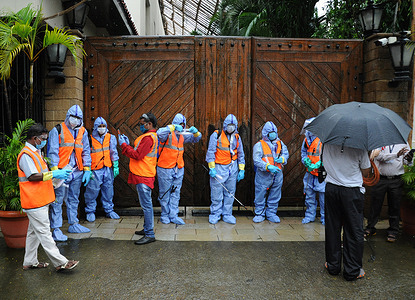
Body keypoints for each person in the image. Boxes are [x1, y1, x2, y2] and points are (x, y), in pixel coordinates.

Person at [17, 123, 79, 271]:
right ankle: (60, 262)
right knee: (45, 233)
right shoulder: (26, 155)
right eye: (43, 139)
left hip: (40, 199)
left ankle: (29, 261)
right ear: (34, 138)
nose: (45, 141)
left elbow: (42, 174)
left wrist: (57, 178)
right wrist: (55, 174)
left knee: (34, 233)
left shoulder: (35, 153)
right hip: (34, 201)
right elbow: (32, 176)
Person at [323, 144, 370, 281]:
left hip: (332, 189)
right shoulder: (360, 146)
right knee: (354, 230)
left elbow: (325, 164)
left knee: (332, 228)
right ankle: (352, 271)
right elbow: (366, 172)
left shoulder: (327, 144)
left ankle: (333, 266)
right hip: (352, 191)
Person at [47, 105, 92, 241]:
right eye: (74, 117)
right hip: (61, 171)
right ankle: (56, 228)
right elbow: (52, 152)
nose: (75, 120)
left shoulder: (83, 132)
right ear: (68, 116)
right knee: (58, 200)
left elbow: (86, 151)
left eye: (78, 118)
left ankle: (74, 223)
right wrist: (55, 172)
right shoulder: (57, 130)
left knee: (74, 198)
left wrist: (87, 169)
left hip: (77, 170)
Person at [119, 113, 158, 245]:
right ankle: (147, 228)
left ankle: (149, 234)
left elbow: (137, 155)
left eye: (142, 124)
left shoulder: (148, 138)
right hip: (144, 174)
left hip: (144, 175)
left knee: (146, 206)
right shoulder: (150, 136)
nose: (140, 126)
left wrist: (124, 145)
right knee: (146, 205)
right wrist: (127, 144)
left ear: (150, 124)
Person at [156, 113, 202, 225]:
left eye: (183, 124)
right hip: (165, 168)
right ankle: (165, 215)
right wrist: (171, 127)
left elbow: (196, 139)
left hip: (178, 168)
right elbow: (158, 133)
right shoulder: (167, 134)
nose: (181, 126)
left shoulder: (182, 135)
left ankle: (173, 215)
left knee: (176, 193)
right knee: (165, 193)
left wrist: (196, 132)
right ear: (174, 124)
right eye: (179, 124)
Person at [365, 144, 413, 243]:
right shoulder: (379, 141)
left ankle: (393, 230)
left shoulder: (403, 143)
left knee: (394, 206)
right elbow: (380, 157)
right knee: (375, 204)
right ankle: (370, 227)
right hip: (380, 179)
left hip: (396, 179)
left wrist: (408, 159)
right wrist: (397, 154)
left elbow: (408, 163)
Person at [206, 114, 245, 224]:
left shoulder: (237, 137)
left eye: (233, 125)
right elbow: (210, 152)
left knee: (230, 192)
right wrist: (212, 168)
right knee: (216, 192)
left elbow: (241, 154)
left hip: (232, 168)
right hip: (219, 168)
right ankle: (215, 213)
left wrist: (241, 169)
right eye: (229, 125)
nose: (231, 127)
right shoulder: (216, 135)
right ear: (225, 125)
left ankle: (227, 214)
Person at [84, 117, 120, 222]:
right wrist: (87, 169)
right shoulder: (89, 139)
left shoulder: (110, 137)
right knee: (92, 191)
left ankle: (109, 210)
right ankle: (90, 211)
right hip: (94, 169)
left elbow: (113, 152)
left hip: (107, 168)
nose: (102, 128)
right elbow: (86, 154)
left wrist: (116, 165)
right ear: (95, 127)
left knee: (108, 190)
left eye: (104, 126)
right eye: (100, 126)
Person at [252, 121, 289, 223]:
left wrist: (282, 159)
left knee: (275, 194)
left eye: (274, 132)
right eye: (270, 132)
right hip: (263, 175)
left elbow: (285, 154)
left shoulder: (280, 143)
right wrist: (267, 166)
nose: (273, 134)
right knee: (260, 193)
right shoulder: (259, 145)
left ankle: (271, 213)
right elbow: (256, 160)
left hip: (277, 174)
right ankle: (259, 213)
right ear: (265, 133)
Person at [301, 118, 325, 225]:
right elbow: (303, 153)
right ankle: (310, 215)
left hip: (321, 173)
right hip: (309, 173)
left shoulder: (324, 139)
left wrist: (320, 164)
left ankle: (325, 217)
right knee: (309, 196)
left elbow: (329, 155)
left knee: (323, 198)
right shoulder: (306, 140)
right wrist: (305, 161)